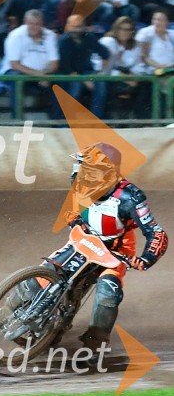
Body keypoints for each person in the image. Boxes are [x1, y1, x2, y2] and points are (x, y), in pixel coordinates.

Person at [54, 143, 167, 349]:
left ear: (105, 174)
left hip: (116, 251)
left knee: (108, 292)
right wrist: (74, 219)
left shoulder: (131, 198)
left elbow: (156, 232)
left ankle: (95, 341)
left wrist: (146, 259)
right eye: (80, 169)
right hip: (85, 242)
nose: (79, 175)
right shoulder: (82, 187)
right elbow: (73, 211)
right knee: (48, 271)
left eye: (87, 171)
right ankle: (8, 311)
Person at [0, 9, 59, 118]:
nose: (34, 27)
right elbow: (14, 64)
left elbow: (54, 62)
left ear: (42, 23)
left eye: (37, 24)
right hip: (15, 72)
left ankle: (56, 122)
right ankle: (17, 120)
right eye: (31, 24)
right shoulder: (15, 36)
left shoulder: (49, 35)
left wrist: (45, 74)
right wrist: (39, 75)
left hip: (42, 73)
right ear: (25, 22)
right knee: (17, 80)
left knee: (60, 81)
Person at [57, 14, 111, 118]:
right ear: (68, 26)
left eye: (79, 26)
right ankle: (67, 120)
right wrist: (84, 79)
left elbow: (105, 54)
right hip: (67, 74)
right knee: (75, 88)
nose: (77, 30)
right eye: (74, 26)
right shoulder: (63, 41)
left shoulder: (88, 37)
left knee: (101, 84)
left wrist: (100, 72)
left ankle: (97, 118)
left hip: (87, 72)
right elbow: (65, 66)